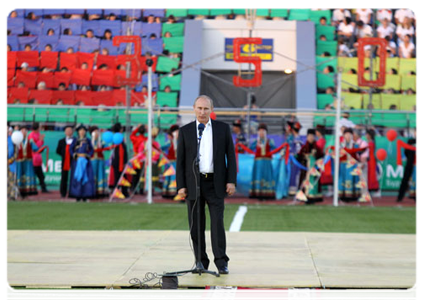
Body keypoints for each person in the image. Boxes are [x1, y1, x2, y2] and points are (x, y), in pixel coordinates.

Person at [176, 95, 236, 275]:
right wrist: (181, 185)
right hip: (194, 183)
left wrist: (231, 180)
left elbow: (231, 157)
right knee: (196, 225)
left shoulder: (222, 129)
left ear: (212, 110)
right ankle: (200, 261)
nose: (202, 112)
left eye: (206, 109)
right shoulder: (185, 131)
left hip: (215, 182)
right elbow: (181, 161)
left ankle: (221, 262)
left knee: (217, 223)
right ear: (194, 108)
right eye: (199, 108)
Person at [249, 123, 276, 200]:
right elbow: (250, 149)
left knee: (267, 177)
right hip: (258, 163)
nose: (261, 133)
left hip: (266, 162)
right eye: (260, 131)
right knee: (258, 177)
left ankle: (267, 193)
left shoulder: (269, 141)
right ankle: (257, 193)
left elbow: (275, 148)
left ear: (266, 132)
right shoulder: (256, 141)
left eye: (263, 131)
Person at [296, 129, 324, 204]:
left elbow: (321, 157)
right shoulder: (304, 148)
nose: (311, 138)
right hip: (306, 170)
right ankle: (304, 196)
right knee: (304, 182)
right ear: (307, 137)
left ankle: (313, 197)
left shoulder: (317, 148)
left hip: (314, 170)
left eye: (312, 136)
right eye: (309, 136)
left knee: (314, 183)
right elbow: (299, 157)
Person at [69, 124, 95, 202]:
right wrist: (75, 155)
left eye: (83, 131)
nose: (82, 132)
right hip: (77, 162)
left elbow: (91, 150)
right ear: (78, 132)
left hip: (85, 161)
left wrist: (88, 155)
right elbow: (71, 149)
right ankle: (77, 194)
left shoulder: (88, 140)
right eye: (80, 131)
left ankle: (85, 195)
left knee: (86, 177)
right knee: (77, 177)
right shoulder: (75, 140)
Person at [338, 128, 362, 202]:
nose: (348, 136)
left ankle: (353, 195)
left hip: (352, 165)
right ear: (344, 135)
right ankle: (343, 195)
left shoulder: (355, 145)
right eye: (346, 134)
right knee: (342, 179)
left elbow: (359, 154)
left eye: (349, 134)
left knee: (352, 178)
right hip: (343, 165)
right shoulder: (341, 145)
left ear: (352, 135)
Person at [397, 127, 420, 203]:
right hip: (411, 164)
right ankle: (400, 197)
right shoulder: (411, 141)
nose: (414, 133)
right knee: (406, 180)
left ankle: (417, 197)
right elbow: (406, 151)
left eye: (415, 132)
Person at [16, 125, 38, 198]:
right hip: (19, 161)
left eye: (25, 130)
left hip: (28, 161)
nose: (24, 132)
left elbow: (35, 148)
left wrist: (39, 149)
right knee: (19, 175)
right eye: (22, 130)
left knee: (28, 175)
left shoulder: (30, 140)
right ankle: (19, 192)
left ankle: (27, 192)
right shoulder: (17, 140)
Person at [28, 122, 49, 193]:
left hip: (38, 158)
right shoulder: (31, 135)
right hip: (33, 158)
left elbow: (40, 145)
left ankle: (43, 188)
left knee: (41, 176)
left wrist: (41, 141)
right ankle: (32, 189)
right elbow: (35, 147)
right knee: (34, 175)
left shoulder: (38, 134)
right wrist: (40, 140)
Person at [109, 123, 128, 197]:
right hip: (118, 161)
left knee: (119, 177)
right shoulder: (117, 139)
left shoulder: (118, 138)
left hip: (118, 161)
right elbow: (120, 152)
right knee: (121, 177)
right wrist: (124, 162)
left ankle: (121, 191)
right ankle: (121, 192)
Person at [56, 126, 74, 198]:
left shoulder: (75, 140)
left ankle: (73, 192)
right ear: (65, 132)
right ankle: (63, 192)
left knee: (73, 177)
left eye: (70, 130)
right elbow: (58, 151)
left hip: (73, 161)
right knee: (64, 177)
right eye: (67, 130)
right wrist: (64, 154)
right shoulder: (61, 141)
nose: (69, 132)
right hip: (65, 161)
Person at [90, 126, 108, 198]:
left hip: (100, 160)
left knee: (100, 174)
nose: (96, 133)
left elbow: (106, 147)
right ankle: (92, 190)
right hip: (93, 160)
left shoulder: (101, 141)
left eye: (97, 131)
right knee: (93, 174)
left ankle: (100, 190)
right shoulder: (90, 141)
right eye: (95, 132)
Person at [286, 120, 303, 195]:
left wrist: (293, 155)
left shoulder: (296, 139)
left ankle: (293, 189)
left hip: (294, 160)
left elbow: (297, 151)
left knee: (294, 174)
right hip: (293, 159)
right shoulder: (295, 138)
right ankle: (292, 189)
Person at [162, 125, 179, 198]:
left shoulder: (173, 142)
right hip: (172, 162)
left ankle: (168, 192)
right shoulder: (172, 142)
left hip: (171, 162)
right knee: (171, 177)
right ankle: (170, 193)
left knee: (170, 176)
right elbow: (162, 148)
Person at [130, 124, 147, 194]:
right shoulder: (146, 139)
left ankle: (133, 189)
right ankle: (141, 189)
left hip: (136, 158)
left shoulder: (135, 138)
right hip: (143, 158)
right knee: (142, 174)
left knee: (135, 174)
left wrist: (137, 128)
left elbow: (131, 135)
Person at [365, 129, 380, 194]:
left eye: (367, 134)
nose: (366, 136)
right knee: (369, 174)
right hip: (369, 159)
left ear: (370, 135)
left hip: (371, 160)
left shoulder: (371, 143)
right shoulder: (370, 142)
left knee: (372, 174)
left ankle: (375, 189)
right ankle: (370, 188)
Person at [6, 123, 17, 200]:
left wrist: (10, 160)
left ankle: (11, 196)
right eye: (4, 129)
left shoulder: (13, 140)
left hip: (10, 164)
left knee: (11, 180)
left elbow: (16, 153)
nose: (6, 131)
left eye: (7, 129)